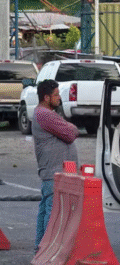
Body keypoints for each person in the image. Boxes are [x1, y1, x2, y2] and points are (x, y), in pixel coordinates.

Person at [31, 79, 79, 252]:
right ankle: (46, 249)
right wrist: (71, 127)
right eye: (56, 95)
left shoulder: (45, 113)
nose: (59, 98)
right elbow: (70, 133)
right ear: (46, 97)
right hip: (53, 172)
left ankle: (40, 247)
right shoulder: (45, 114)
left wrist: (67, 126)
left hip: (52, 172)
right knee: (52, 213)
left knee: (46, 210)